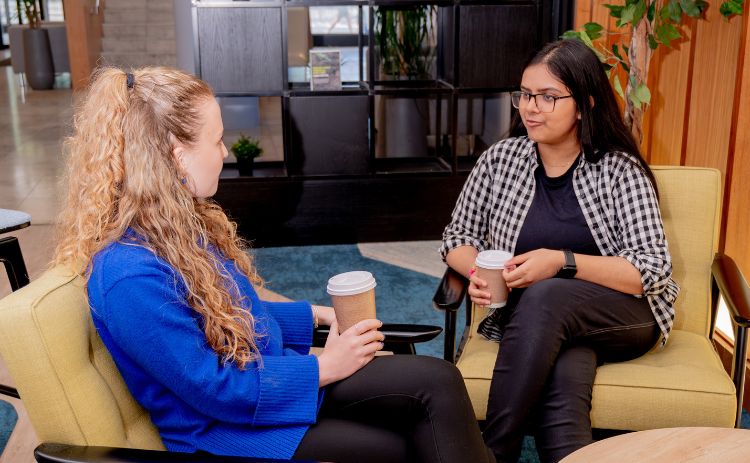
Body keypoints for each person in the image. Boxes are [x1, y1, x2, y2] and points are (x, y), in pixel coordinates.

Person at [52, 67, 494, 463]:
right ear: (174, 153)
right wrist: (326, 366)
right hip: (224, 432)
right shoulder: (129, 275)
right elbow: (213, 388)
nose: (225, 152)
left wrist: (314, 315)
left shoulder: (177, 227)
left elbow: (231, 313)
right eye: (217, 139)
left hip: (268, 385)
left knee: (437, 379)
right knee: (401, 441)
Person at [440, 39, 679, 463]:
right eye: (525, 95)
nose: (531, 108)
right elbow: (456, 237)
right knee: (565, 387)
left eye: (548, 97)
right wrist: (479, 273)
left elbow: (651, 270)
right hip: (540, 324)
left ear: (584, 104)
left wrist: (561, 262)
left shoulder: (618, 170)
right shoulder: (501, 160)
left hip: (625, 314)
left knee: (550, 292)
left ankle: (492, 452)